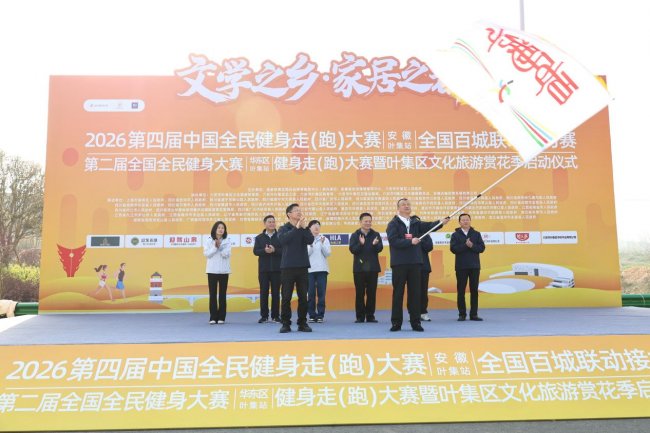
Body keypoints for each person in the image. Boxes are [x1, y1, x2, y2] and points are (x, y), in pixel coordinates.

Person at [386, 198, 449, 332]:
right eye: (403, 205)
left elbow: (429, 226)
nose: (406, 206)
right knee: (398, 293)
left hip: (415, 262)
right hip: (399, 263)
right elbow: (393, 241)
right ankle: (396, 323)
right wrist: (410, 242)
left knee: (415, 294)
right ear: (398, 208)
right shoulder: (393, 224)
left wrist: (441, 222)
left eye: (408, 204)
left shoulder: (415, 223)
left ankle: (416, 323)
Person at [277, 203, 314, 333]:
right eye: (296, 210)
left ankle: (302, 323)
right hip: (287, 267)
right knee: (286, 297)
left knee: (303, 297)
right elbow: (283, 240)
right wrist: (296, 228)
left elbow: (310, 240)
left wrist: (303, 228)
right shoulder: (283, 228)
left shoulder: (304, 228)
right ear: (289, 214)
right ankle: (285, 323)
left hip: (302, 266)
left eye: (300, 210)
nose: (299, 212)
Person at [450, 213, 485, 321]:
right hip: (461, 266)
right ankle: (462, 314)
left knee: (474, 290)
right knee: (461, 291)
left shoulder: (476, 234)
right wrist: (465, 245)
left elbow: (482, 248)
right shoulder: (455, 235)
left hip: (474, 266)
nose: (465, 221)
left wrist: (472, 246)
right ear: (459, 222)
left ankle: (474, 314)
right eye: (463, 220)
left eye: (467, 219)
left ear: (470, 221)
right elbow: (453, 249)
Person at [349, 212, 383, 323]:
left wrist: (375, 244)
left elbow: (380, 248)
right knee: (360, 293)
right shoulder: (355, 235)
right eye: (366, 221)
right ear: (360, 222)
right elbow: (353, 250)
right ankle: (360, 316)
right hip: (359, 269)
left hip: (373, 268)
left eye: (369, 221)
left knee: (371, 293)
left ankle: (370, 316)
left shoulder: (376, 234)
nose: (368, 223)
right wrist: (361, 244)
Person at [253, 215, 283, 324]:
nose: (272, 224)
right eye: (269, 222)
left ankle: (275, 316)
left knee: (276, 293)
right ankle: (264, 316)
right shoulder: (259, 237)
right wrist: (264, 251)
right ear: (265, 223)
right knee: (263, 293)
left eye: (273, 222)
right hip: (263, 270)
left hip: (277, 270)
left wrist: (275, 250)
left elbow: (284, 251)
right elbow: (255, 251)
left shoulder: (280, 236)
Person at [203, 220, 232, 325]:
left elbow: (226, 254)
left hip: (224, 271)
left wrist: (220, 247)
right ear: (215, 229)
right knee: (213, 295)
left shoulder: (227, 240)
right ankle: (213, 317)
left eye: (222, 228)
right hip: (212, 270)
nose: (221, 229)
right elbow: (207, 254)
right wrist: (215, 247)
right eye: (219, 227)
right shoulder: (208, 240)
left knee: (222, 295)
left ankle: (221, 317)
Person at [307, 220, 331, 323]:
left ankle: (320, 315)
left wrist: (321, 244)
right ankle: (312, 315)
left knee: (321, 294)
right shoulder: (306, 239)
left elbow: (327, 253)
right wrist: (312, 244)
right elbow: (307, 254)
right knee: (311, 293)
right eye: (314, 226)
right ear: (309, 228)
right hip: (309, 270)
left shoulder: (324, 239)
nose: (316, 227)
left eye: (318, 226)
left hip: (322, 270)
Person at [413, 218, 434, 322]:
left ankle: (423, 312)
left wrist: (420, 241)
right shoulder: (408, 234)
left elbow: (429, 247)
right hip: (411, 266)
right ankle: (413, 313)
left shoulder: (425, 234)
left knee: (423, 291)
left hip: (424, 267)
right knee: (413, 292)